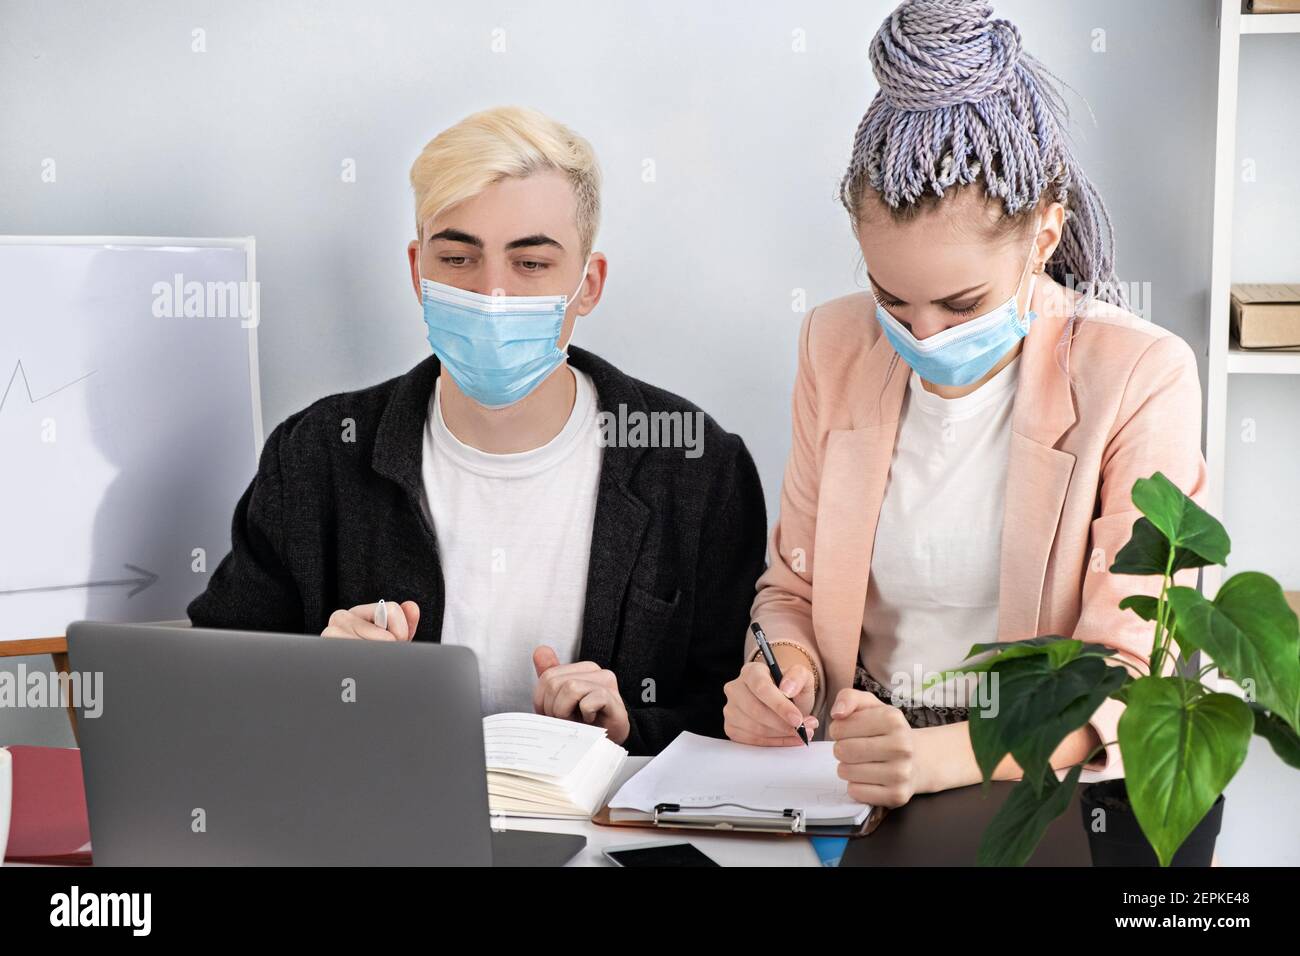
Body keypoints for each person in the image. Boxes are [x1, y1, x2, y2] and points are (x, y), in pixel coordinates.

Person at [723, 0, 1205, 807]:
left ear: (1045, 237)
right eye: (891, 298)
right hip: (857, 770)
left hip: (1044, 781)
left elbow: (1128, 673)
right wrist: (786, 672)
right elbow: (793, 592)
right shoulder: (834, 345)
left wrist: (943, 756)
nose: (922, 334)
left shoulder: (1140, 373)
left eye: (961, 304)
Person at [188, 106, 767, 756]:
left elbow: (739, 715)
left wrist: (630, 727)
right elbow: (204, 689)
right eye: (459, 257)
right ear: (417, 271)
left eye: (531, 264)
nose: (491, 295)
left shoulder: (695, 465)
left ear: (588, 284)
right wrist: (317, 676)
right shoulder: (319, 455)